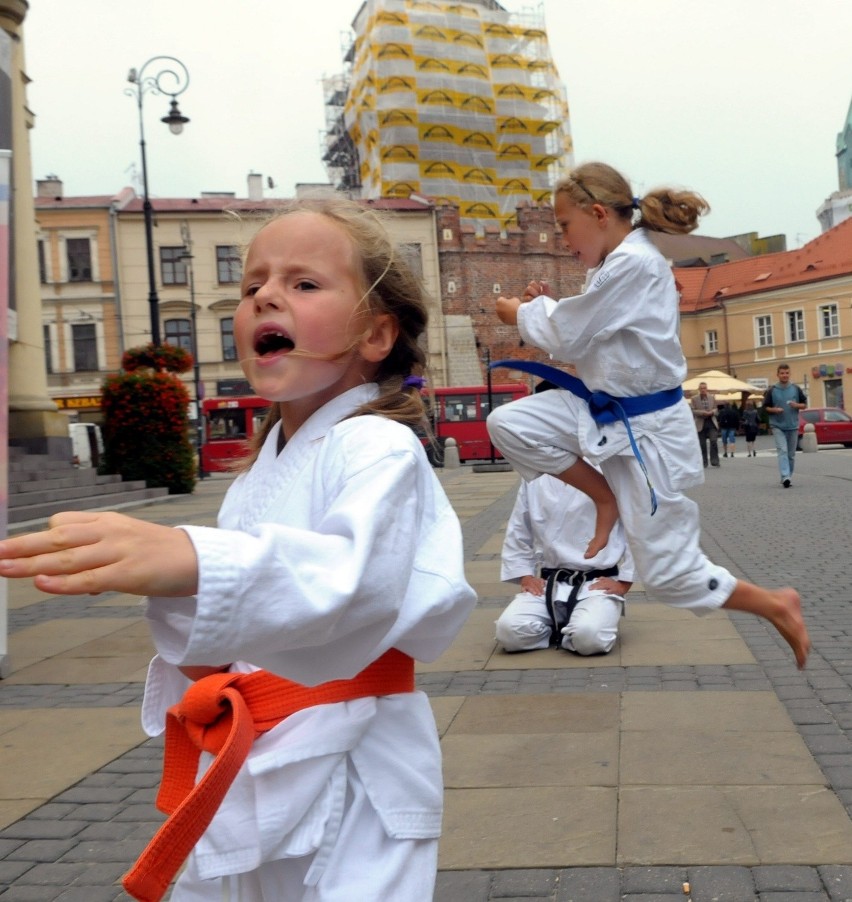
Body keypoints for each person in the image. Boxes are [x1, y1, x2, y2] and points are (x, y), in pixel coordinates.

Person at [0, 196, 477, 902]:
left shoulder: (378, 446)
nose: (264, 298)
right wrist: (176, 601)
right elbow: (238, 632)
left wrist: (193, 563)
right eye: (253, 286)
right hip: (258, 753)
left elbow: (354, 583)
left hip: (355, 771)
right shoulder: (260, 474)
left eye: (303, 283)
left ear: (377, 334)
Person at [485, 161, 810, 672]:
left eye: (565, 225)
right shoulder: (614, 266)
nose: (562, 237)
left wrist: (521, 315)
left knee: (671, 575)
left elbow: (571, 333)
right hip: (600, 413)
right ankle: (603, 497)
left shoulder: (636, 263)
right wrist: (546, 309)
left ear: (597, 214)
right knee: (511, 424)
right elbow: (588, 329)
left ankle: (774, 604)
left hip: (647, 434)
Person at [496, 469, 634, 655]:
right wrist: (525, 576)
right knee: (508, 632)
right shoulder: (535, 473)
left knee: (589, 638)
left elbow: (637, 527)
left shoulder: (610, 469)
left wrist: (624, 582)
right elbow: (519, 528)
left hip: (596, 583)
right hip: (549, 583)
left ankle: (588, 623)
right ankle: (562, 627)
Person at [763, 363, 807, 487]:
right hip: (777, 425)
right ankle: (785, 476)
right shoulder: (772, 390)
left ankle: (789, 476)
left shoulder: (795, 389)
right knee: (782, 450)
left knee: (791, 455)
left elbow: (804, 404)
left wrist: (796, 405)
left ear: (789, 374)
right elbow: (765, 408)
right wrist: (775, 410)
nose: (784, 375)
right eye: (782, 373)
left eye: (787, 373)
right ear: (778, 375)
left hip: (792, 425)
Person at [691, 382, 720, 467]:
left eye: (704, 388)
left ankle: (714, 460)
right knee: (702, 444)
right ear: (699, 389)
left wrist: (712, 412)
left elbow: (716, 408)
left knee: (713, 441)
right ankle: (704, 462)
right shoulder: (694, 399)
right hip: (700, 423)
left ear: (707, 389)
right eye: (701, 388)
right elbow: (693, 410)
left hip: (711, 422)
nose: (703, 390)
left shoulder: (712, 398)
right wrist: (702, 413)